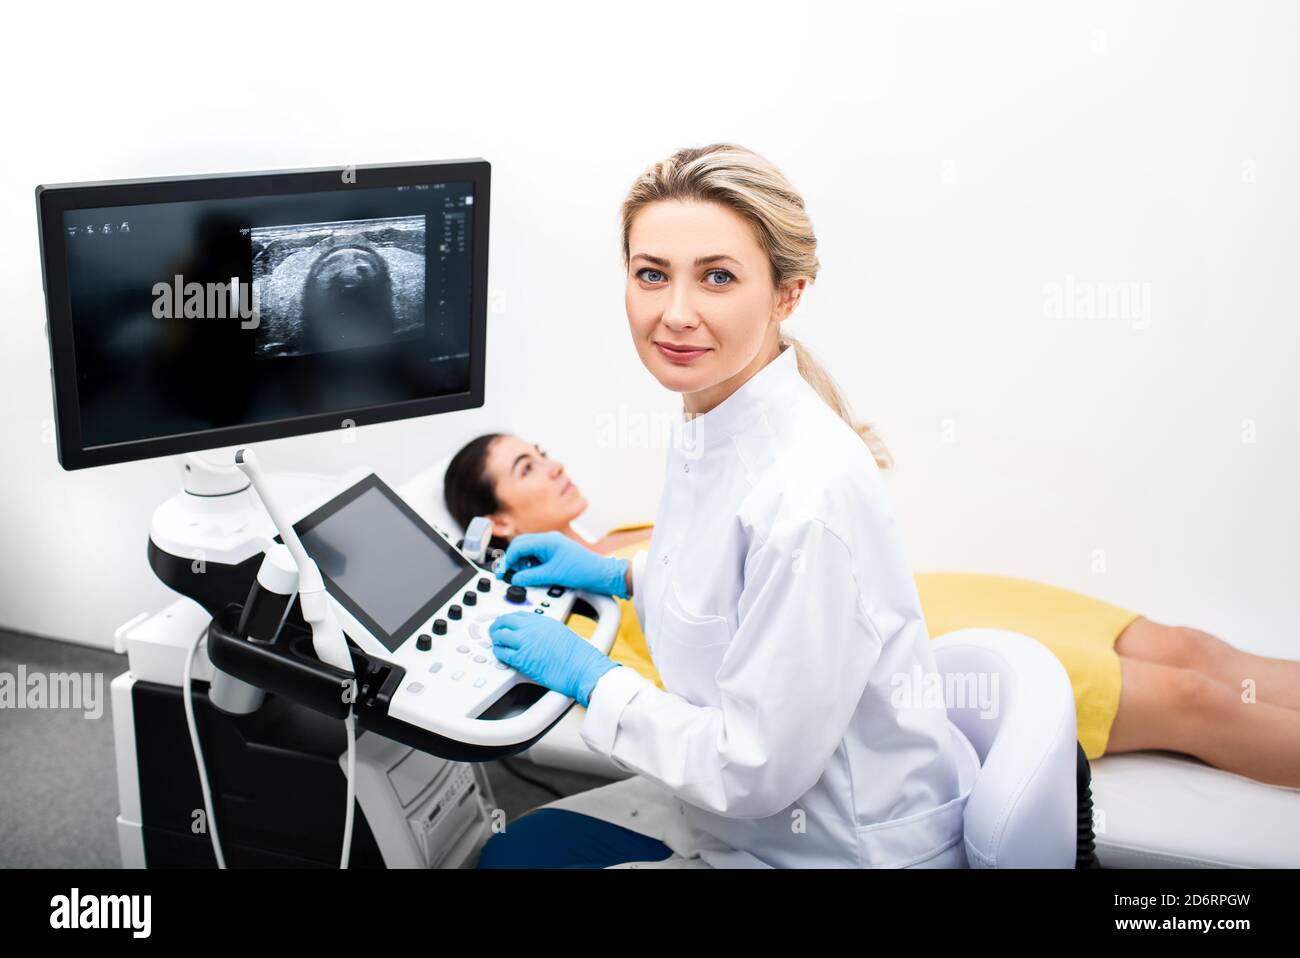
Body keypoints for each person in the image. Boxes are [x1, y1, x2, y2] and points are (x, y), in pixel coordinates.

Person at [472, 143, 981, 868]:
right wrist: (620, 576)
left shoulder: (807, 492)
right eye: (652, 275)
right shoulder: (715, 414)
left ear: (787, 293)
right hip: (742, 819)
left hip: (825, 849)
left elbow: (753, 769)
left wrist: (592, 677)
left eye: (717, 277)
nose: (675, 314)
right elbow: (735, 595)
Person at [447, 431, 1300, 791]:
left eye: (544, 450)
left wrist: (621, 568)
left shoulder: (625, 535)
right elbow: (703, 712)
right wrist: (603, 627)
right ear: (500, 526)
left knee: (1193, 648)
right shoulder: (565, 627)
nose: (553, 466)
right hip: (917, 652)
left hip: (923, 592)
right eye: (526, 470)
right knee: (1193, 704)